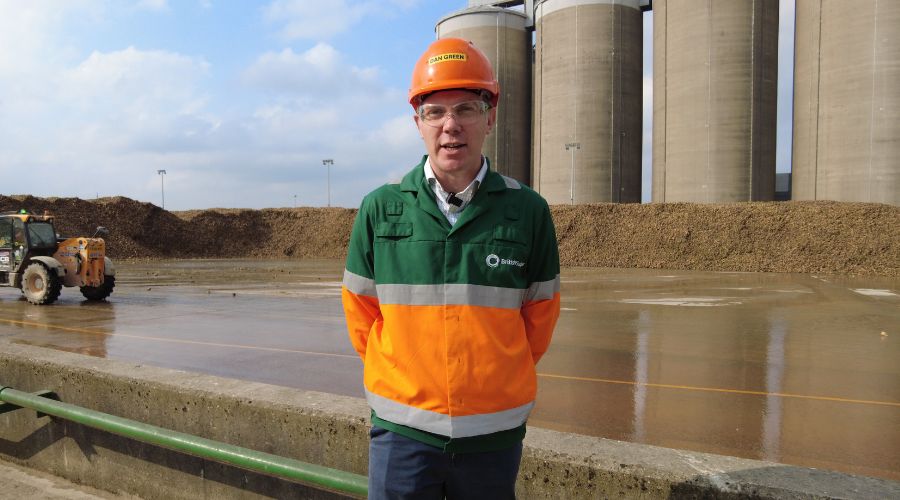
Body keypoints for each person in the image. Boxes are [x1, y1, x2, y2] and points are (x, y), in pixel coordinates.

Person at [341, 38, 560, 499]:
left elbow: (539, 318)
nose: (450, 126)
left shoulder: (529, 211)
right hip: (403, 433)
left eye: (466, 108)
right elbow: (361, 314)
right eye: (435, 112)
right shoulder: (380, 209)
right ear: (417, 123)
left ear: (490, 117)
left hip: (492, 438)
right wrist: (408, 376)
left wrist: (491, 377)